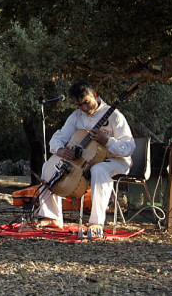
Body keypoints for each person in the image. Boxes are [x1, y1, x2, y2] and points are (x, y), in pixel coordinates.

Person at [35, 80, 134, 239]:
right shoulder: (76, 116)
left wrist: (107, 141)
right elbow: (58, 138)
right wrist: (61, 150)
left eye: (86, 102)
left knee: (99, 169)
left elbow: (129, 146)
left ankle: (96, 223)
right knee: (50, 166)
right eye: (79, 105)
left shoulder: (114, 116)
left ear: (94, 95)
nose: (84, 108)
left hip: (116, 161)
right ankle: (51, 217)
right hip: (85, 162)